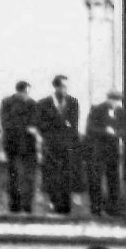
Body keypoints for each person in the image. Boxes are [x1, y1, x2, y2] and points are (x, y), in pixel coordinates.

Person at [36, 75, 81, 215]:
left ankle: (66, 207)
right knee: (52, 175)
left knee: (66, 175)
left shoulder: (73, 102)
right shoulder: (44, 103)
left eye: (67, 86)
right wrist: (60, 123)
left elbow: (73, 124)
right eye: (62, 86)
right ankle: (54, 204)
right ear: (56, 87)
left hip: (67, 145)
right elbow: (40, 124)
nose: (65, 89)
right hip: (50, 146)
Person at [0, 81, 40, 214]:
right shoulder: (7, 103)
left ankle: (27, 206)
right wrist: (26, 127)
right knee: (14, 176)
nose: (26, 95)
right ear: (19, 91)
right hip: (13, 145)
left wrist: (28, 127)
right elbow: (6, 123)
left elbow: (36, 123)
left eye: (28, 93)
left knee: (29, 177)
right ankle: (15, 207)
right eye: (25, 92)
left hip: (29, 146)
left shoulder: (33, 104)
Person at [84, 89, 125, 217]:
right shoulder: (96, 109)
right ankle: (96, 209)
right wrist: (104, 131)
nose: (115, 103)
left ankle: (113, 209)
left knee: (113, 180)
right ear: (108, 99)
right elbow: (90, 128)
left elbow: (125, 129)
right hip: (98, 151)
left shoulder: (121, 112)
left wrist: (117, 133)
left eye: (117, 101)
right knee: (96, 180)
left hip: (113, 151)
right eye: (113, 100)